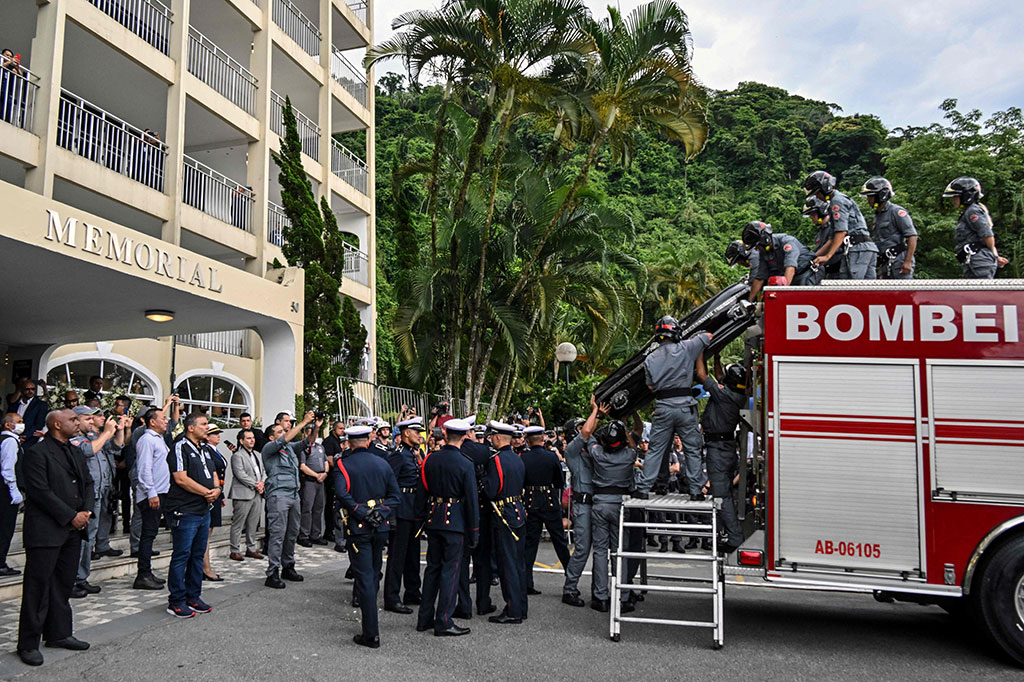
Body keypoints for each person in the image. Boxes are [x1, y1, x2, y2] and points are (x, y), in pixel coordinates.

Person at [17, 409, 94, 667]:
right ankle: (28, 643)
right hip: (46, 530)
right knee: (37, 587)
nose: (78, 422)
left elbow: (88, 483)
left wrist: (86, 511)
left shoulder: (74, 450)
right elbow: (39, 491)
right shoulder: (37, 453)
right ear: (57, 425)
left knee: (62, 584)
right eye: (73, 419)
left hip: (73, 529)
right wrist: (70, 514)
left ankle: (59, 633)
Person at [333, 424, 402, 648]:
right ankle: (370, 625)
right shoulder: (383, 462)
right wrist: (379, 513)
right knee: (373, 573)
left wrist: (361, 512)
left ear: (349, 443)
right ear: (368, 441)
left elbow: (342, 494)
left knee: (364, 578)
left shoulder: (343, 464)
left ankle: (370, 632)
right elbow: (395, 496)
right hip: (379, 525)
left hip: (358, 525)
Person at [414, 419, 478, 636]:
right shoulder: (465, 463)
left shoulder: (431, 459)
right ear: (464, 436)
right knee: (450, 571)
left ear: (445, 434)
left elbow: (421, 490)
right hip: (455, 521)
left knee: (432, 568)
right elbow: (471, 500)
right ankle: (443, 620)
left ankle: (424, 617)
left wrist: (421, 518)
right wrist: (474, 530)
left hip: (434, 518)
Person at [636, 317, 712, 497]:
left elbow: (650, 386)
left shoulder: (650, 358)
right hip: (685, 407)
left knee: (655, 450)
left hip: (663, 407)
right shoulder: (687, 347)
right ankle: (695, 490)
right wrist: (697, 348)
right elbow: (709, 336)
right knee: (692, 449)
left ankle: (643, 488)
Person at [580, 397, 638, 613]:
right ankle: (622, 595)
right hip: (622, 505)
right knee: (619, 552)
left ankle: (600, 596)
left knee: (600, 551)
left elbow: (586, 433)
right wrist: (624, 424)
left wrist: (597, 412)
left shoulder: (598, 453)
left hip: (601, 503)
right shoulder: (629, 455)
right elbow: (634, 443)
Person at [163, 413, 218, 618]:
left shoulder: (204, 449)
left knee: (197, 555)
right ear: (191, 428)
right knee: (181, 555)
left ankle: (193, 596)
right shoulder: (180, 446)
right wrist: (206, 493)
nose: (207, 427)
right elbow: (181, 478)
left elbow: (213, 475)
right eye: (204, 424)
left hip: (203, 510)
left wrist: (216, 490)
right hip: (185, 510)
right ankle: (176, 600)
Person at [695, 354, 746, 553]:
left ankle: (735, 537)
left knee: (721, 496)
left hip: (718, 449)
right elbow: (719, 376)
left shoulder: (723, 395)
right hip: (726, 448)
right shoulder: (737, 395)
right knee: (726, 495)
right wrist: (716, 356)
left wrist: (700, 352)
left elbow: (701, 375)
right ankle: (730, 533)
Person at [70, 406, 122, 599]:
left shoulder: (93, 436)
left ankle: (81, 577)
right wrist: (106, 432)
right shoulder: (74, 439)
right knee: (82, 538)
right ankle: (73, 578)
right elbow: (87, 452)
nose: (92, 422)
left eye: (93, 418)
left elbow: (116, 447)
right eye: (88, 419)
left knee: (90, 537)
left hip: (98, 492)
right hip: (83, 496)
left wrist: (119, 430)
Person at [483, 421, 528, 624]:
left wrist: (482, 481)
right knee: (518, 563)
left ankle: (512, 610)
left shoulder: (496, 460)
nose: (490, 439)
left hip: (503, 513)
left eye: (492, 436)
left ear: (499, 438)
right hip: (518, 509)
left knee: (507, 564)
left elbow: (492, 491)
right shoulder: (517, 459)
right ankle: (521, 606)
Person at [262, 411, 313, 589]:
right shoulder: (269, 449)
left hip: (293, 495)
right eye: (279, 432)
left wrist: (315, 427)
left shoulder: (289, 449)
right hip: (278, 496)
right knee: (277, 535)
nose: (283, 434)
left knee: (292, 533)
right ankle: (273, 572)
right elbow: (284, 440)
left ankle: (288, 566)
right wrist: (303, 421)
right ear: (271, 437)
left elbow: (308, 442)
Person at [521, 425, 570, 595]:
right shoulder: (551, 457)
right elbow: (559, 482)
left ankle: (527, 582)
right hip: (549, 501)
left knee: (530, 544)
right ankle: (571, 579)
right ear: (542, 438)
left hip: (531, 501)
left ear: (527, 440)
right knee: (560, 541)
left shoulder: (523, 457)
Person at [383, 417, 425, 614]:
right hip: (401, 508)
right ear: (406, 433)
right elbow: (389, 482)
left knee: (413, 554)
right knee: (397, 555)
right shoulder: (399, 455)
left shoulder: (414, 453)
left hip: (414, 508)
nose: (419, 435)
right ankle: (391, 596)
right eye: (416, 431)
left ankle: (412, 590)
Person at [803, 170, 878, 280]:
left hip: (857, 250)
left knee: (850, 289)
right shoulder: (837, 200)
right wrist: (813, 257)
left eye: (817, 193)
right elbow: (832, 239)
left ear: (824, 188)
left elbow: (841, 232)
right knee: (868, 292)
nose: (817, 197)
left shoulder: (837, 201)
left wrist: (828, 256)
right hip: (865, 249)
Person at [133, 407, 171, 590]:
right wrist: (151, 492)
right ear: (152, 421)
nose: (166, 421)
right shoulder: (147, 440)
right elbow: (144, 468)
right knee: (147, 534)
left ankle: (147, 571)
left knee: (152, 533)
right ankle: (143, 574)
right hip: (152, 494)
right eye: (163, 418)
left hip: (161, 492)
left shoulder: (159, 439)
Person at [943, 176, 1009, 278]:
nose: (953, 200)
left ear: (966, 195)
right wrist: (995, 256)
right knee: (974, 292)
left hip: (979, 261)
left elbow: (987, 235)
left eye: (955, 197)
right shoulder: (968, 212)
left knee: (982, 292)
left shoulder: (973, 211)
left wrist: (994, 255)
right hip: (973, 260)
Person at [560, 417, 593, 607]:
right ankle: (570, 588)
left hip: (596, 504)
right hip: (582, 506)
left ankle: (600, 590)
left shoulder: (591, 450)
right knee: (582, 549)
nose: (586, 429)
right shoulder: (572, 451)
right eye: (580, 427)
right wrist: (596, 413)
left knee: (601, 552)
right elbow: (587, 433)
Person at [860, 177, 918, 279]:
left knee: (904, 293)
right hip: (886, 263)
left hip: (900, 260)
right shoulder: (877, 216)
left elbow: (912, 236)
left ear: (880, 195)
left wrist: (907, 262)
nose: (868, 200)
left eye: (870, 196)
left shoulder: (896, 212)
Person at [742, 221, 816, 300]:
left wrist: (782, 294)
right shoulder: (764, 252)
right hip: (791, 278)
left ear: (764, 240)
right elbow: (760, 278)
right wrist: (749, 301)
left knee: (801, 300)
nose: (756, 249)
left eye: (756, 246)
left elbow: (790, 268)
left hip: (807, 274)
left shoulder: (787, 242)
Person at [228, 427, 264, 562]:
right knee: (239, 524)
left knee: (253, 523)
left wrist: (262, 483)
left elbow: (263, 471)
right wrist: (256, 484)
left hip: (257, 493)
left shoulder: (258, 455)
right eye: (248, 438)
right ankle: (235, 550)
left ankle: (251, 548)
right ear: (241, 441)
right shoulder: (237, 455)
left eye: (253, 438)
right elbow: (240, 474)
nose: (252, 440)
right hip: (243, 493)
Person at [201, 424, 227, 582]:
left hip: (217, 491)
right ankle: (205, 567)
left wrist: (221, 493)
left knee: (207, 533)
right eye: (214, 433)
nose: (218, 436)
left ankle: (204, 566)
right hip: (209, 492)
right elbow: (211, 473)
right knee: (205, 534)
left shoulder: (214, 450)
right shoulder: (206, 450)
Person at [0, 412, 25, 576]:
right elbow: (8, 468)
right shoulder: (9, 442)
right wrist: (14, 490)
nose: (22, 424)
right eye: (19, 421)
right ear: (8, 425)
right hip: (5, 491)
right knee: (5, 528)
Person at [297, 420, 328, 547]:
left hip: (321, 480)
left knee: (318, 508)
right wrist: (316, 475)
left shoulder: (320, 447)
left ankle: (316, 534)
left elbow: (325, 461)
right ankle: (304, 535)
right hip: (310, 480)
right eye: (308, 431)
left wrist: (325, 473)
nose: (311, 434)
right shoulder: (303, 448)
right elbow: (302, 466)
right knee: (307, 509)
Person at [6, 380, 46, 448]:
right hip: (12, 438)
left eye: (33, 389)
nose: (30, 391)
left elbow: (39, 424)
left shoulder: (40, 404)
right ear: (22, 390)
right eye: (27, 389)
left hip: (29, 441)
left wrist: (26, 436)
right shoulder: (15, 404)